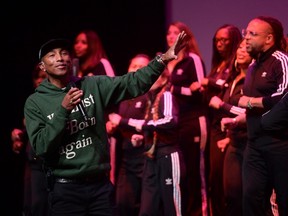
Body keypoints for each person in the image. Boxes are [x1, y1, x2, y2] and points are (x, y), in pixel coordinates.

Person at [23, 32, 187, 216]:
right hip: (65, 190)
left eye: (64, 53)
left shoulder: (92, 85)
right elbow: (41, 147)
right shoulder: (35, 102)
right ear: (42, 66)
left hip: (99, 187)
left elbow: (132, 82)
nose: (60, 58)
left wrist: (162, 59)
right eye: (52, 55)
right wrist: (63, 111)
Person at [238, 16, 288, 216]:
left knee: (284, 200)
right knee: (251, 198)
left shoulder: (281, 61)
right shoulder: (252, 67)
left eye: (253, 34)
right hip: (254, 144)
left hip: (280, 144)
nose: (246, 38)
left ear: (269, 39)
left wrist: (250, 102)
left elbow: (285, 97)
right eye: (246, 33)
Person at [164, 21, 208, 216]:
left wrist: (174, 88)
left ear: (185, 37)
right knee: (180, 173)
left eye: (176, 33)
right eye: (169, 33)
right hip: (175, 123)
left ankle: (199, 212)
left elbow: (200, 90)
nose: (171, 36)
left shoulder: (193, 60)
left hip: (193, 120)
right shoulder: (167, 61)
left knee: (194, 171)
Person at [201, 24, 242, 216]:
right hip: (215, 125)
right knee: (214, 178)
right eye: (217, 40)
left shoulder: (237, 64)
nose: (219, 44)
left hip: (231, 125)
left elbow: (225, 87)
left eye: (224, 40)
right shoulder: (218, 65)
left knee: (227, 180)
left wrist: (207, 83)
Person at [208, 39, 252, 216]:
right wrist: (228, 137)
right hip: (234, 142)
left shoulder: (252, 80)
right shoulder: (233, 79)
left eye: (246, 49)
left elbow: (247, 111)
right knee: (231, 195)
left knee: (248, 197)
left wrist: (221, 106)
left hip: (250, 143)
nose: (241, 51)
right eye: (239, 47)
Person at [72, 29, 118, 183]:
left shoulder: (101, 64)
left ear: (92, 45)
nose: (78, 46)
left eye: (83, 42)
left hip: (103, 124)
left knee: (106, 169)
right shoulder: (77, 70)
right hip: (84, 127)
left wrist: (110, 119)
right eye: (77, 42)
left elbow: (114, 89)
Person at [108, 53, 151, 216]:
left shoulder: (151, 95)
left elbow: (153, 124)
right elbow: (117, 121)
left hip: (146, 159)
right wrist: (113, 127)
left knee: (145, 208)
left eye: (142, 67)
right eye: (134, 66)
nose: (137, 70)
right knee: (122, 205)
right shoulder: (123, 95)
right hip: (127, 161)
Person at [11, 63, 49, 216]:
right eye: (36, 77)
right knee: (29, 206)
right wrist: (19, 135)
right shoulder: (32, 102)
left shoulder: (57, 101)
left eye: (43, 77)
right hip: (32, 161)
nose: (39, 81)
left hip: (46, 164)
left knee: (41, 206)